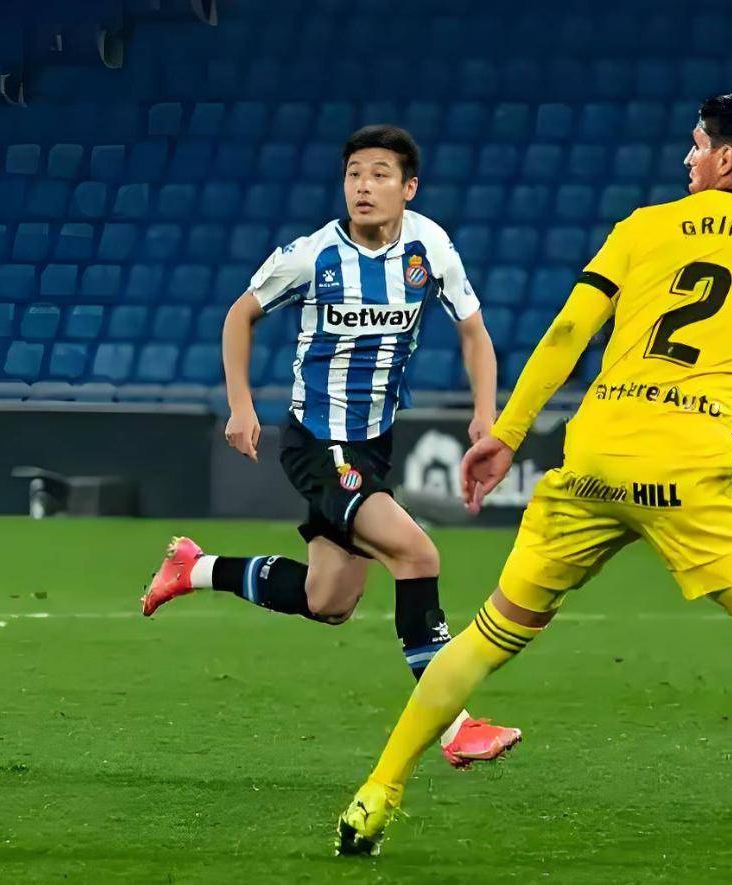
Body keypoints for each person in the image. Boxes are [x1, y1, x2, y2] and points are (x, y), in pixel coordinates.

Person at [336, 94, 732, 868]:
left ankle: (374, 795)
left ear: (725, 159)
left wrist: (507, 433)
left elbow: (566, 332)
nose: (687, 158)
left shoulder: (641, 227)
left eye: (696, 145)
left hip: (594, 452)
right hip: (687, 458)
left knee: (489, 632)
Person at [141, 125, 522, 768]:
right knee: (417, 554)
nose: (363, 186)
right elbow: (239, 315)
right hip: (320, 442)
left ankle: (194, 569)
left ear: (409, 187)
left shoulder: (430, 246)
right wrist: (241, 405)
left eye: (379, 174)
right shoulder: (311, 255)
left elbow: (474, 332)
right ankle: (454, 726)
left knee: (329, 601)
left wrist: (486, 414)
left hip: (372, 446)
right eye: (354, 174)